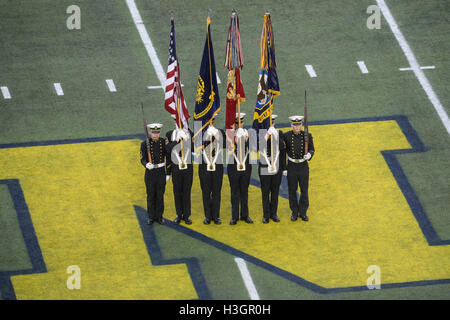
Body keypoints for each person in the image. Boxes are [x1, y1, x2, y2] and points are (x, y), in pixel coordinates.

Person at [282, 115, 315, 222]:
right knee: (292, 190)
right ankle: (294, 212)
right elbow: (282, 151)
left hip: (303, 166)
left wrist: (309, 155)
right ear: (291, 125)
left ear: (301, 125)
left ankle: (303, 212)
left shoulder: (307, 135)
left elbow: (312, 149)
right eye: (295, 125)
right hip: (291, 166)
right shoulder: (286, 136)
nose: (297, 127)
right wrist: (284, 168)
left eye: (299, 125)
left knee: (304, 190)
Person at [166, 115, 194, 225]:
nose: (179, 123)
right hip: (175, 168)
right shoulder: (170, 134)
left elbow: (196, 149)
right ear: (174, 122)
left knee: (186, 191)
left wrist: (186, 140)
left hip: (187, 168)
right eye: (177, 121)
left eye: (182, 121)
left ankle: (186, 215)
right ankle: (178, 214)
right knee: (177, 192)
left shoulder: (190, 133)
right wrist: (177, 141)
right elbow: (167, 150)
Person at [140, 123, 170, 225]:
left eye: (157, 132)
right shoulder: (145, 144)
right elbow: (142, 158)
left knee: (160, 196)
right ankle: (151, 217)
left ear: (160, 132)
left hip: (161, 172)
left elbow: (168, 157)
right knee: (150, 195)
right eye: (153, 132)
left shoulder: (163, 142)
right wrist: (146, 164)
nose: (155, 135)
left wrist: (168, 173)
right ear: (150, 132)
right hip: (150, 173)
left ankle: (160, 217)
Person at [198, 115, 226, 225]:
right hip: (204, 166)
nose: (211, 122)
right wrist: (205, 139)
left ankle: (216, 216)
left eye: (212, 120)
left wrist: (217, 136)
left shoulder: (219, 132)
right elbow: (194, 147)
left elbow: (226, 145)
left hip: (217, 167)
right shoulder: (199, 133)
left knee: (216, 192)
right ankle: (207, 216)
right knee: (205, 192)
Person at [258, 114, 286, 223]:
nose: (271, 124)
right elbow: (258, 147)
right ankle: (266, 215)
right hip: (265, 165)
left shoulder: (279, 133)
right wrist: (267, 134)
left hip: (276, 165)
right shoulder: (260, 133)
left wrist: (274, 135)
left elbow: (282, 150)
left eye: (272, 122)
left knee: (275, 191)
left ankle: (274, 214)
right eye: (269, 122)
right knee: (265, 191)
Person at [227, 113, 253, 225]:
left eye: (241, 122)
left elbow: (253, 147)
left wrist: (245, 140)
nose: (239, 125)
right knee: (234, 192)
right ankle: (234, 216)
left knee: (244, 191)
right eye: (237, 123)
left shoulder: (249, 133)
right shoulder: (229, 134)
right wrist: (235, 137)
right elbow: (227, 145)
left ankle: (245, 215)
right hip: (233, 167)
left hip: (246, 166)